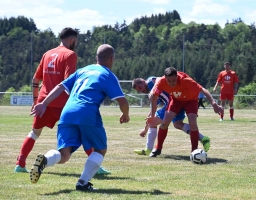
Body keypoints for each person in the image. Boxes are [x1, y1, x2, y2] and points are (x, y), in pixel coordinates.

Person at [29, 44, 130, 191]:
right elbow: (123, 101)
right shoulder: (107, 74)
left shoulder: (82, 70)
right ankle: (83, 182)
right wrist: (125, 115)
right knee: (100, 150)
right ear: (111, 58)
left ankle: (45, 159)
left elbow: (60, 87)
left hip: (67, 112)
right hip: (87, 112)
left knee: (64, 154)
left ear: (96, 57)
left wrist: (43, 103)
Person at [14, 27, 110, 175]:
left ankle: (20, 164)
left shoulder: (47, 54)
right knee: (82, 131)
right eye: (76, 41)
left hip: (44, 101)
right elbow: (68, 81)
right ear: (72, 40)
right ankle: (96, 167)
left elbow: (35, 79)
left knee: (34, 133)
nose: (75, 44)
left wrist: (36, 101)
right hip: (63, 104)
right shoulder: (70, 55)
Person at [148, 67, 223, 157]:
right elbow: (154, 98)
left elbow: (203, 90)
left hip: (191, 100)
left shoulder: (185, 81)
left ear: (177, 77)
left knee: (193, 123)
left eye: (173, 80)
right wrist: (152, 115)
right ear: (165, 78)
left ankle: (194, 151)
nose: (171, 83)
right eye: (169, 80)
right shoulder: (161, 82)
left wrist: (214, 104)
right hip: (176, 100)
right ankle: (158, 148)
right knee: (165, 123)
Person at [132, 77, 210, 155]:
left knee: (153, 123)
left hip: (173, 103)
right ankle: (203, 138)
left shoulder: (150, 82)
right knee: (177, 124)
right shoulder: (153, 94)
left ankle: (148, 149)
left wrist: (153, 90)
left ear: (143, 81)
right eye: (139, 90)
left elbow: (158, 79)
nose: (141, 90)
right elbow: (152, 109)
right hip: (176, 102)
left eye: (140, 87)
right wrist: (145, 129)